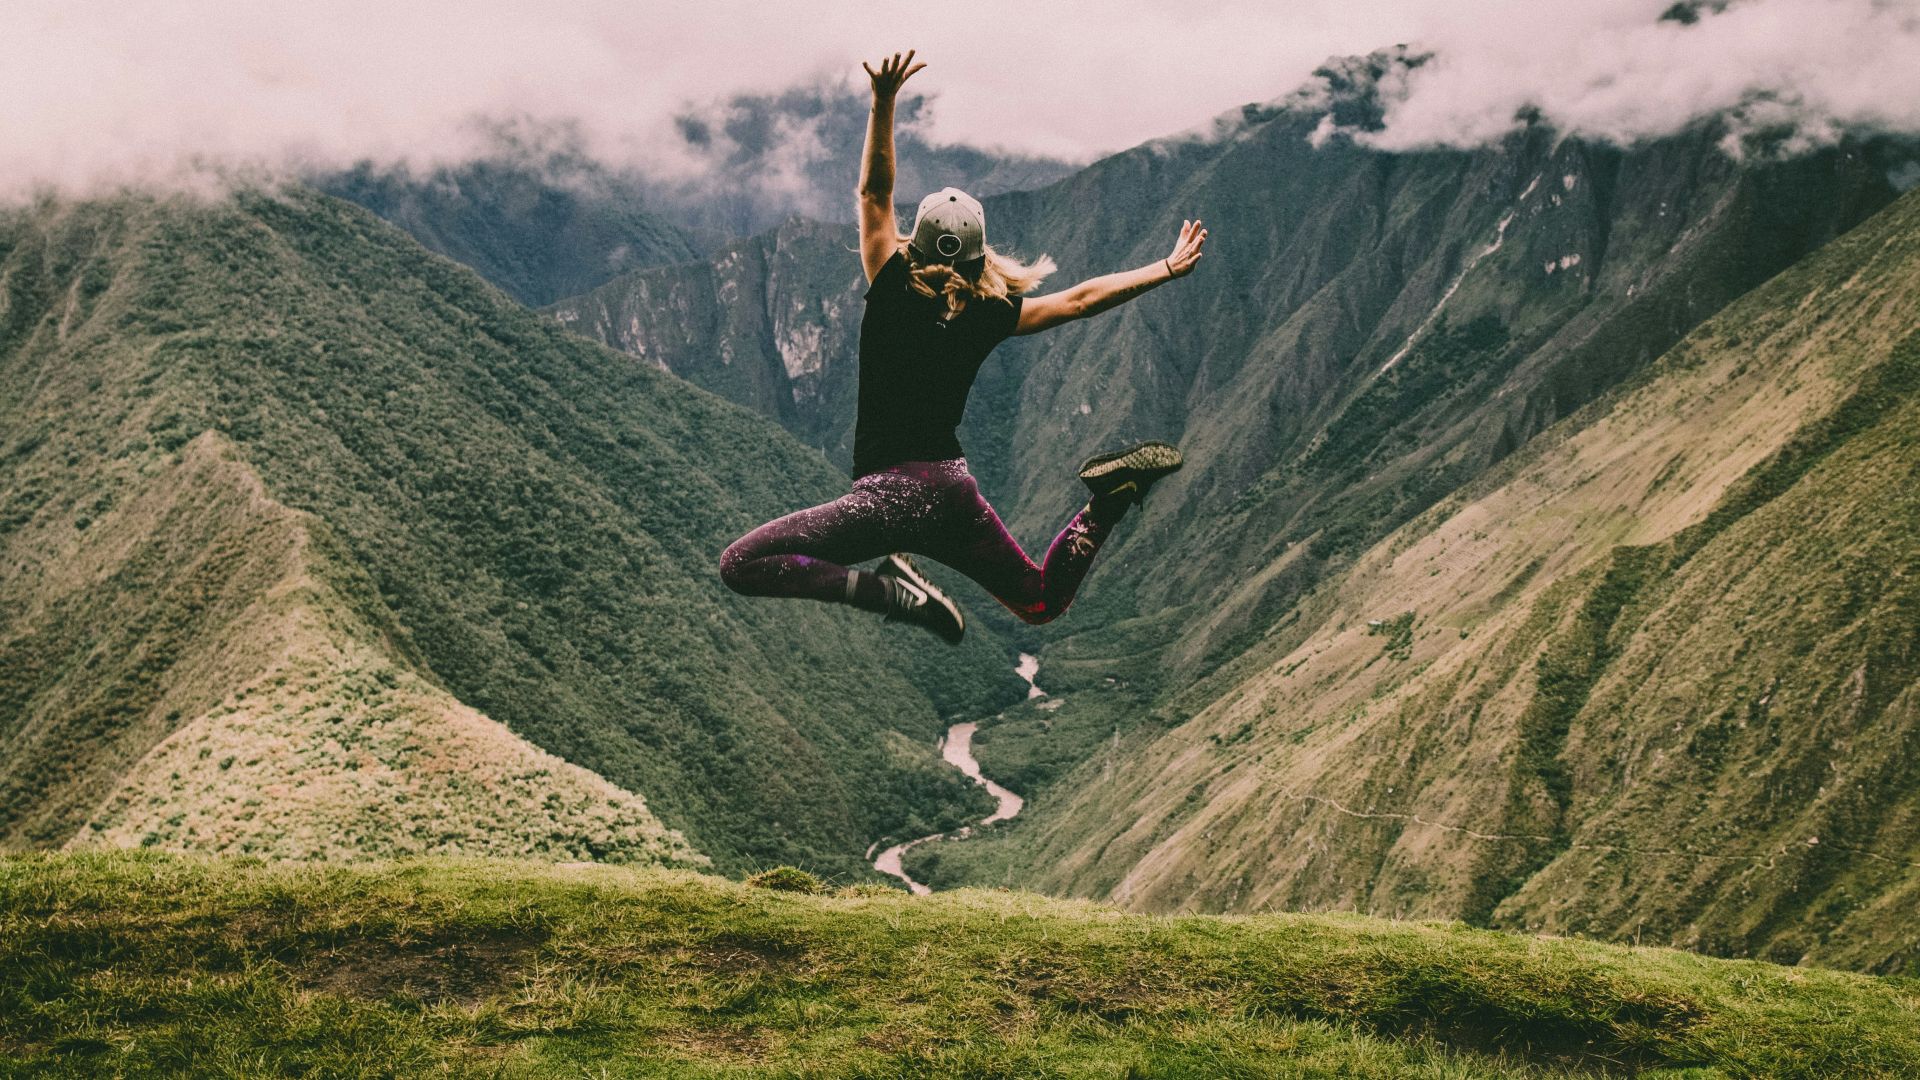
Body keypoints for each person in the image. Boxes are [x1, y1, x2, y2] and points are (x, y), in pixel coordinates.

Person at [719, 49, 1208, 644]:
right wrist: (1163, 268)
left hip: (887, 499)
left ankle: (888, 593)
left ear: (914, 244)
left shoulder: (892, 282)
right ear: (981, 255)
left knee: (741, 565)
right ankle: (1106, 503)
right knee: (1040, 601)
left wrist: (883, 100)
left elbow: (875, 193)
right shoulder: (990, 312)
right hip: (952, 493)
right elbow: (1080, 300)